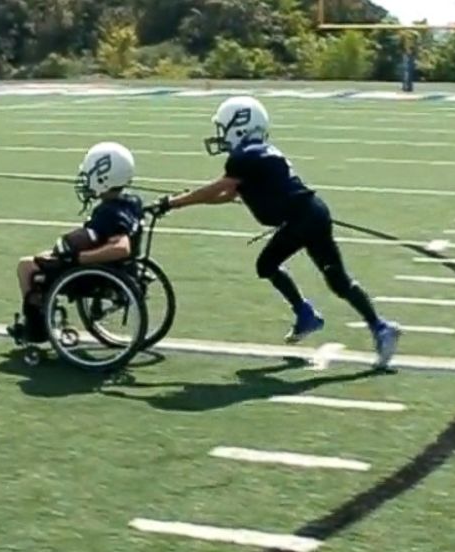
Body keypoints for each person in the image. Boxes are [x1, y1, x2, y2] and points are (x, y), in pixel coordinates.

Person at [151, 96, 402, 368]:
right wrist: (182, 202)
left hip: (303, 219)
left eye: (224, 127)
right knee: (334, 279)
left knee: (270, 265)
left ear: (240, 125)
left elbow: (218, 188)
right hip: (311, 214)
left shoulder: (245, 156)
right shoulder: (258, 151)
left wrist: (174, 202)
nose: (221, 135)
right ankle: (377, 327)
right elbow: (225, 195)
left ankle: (312, 315)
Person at [8, 141, 144, 343]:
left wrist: (79, 257)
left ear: (103, 176)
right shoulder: (131, 203)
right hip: (115, 269)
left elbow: (121, 248)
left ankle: (36, 328)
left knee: (26, 266)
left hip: (92, 273)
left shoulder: (108, 213)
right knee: (48, 255)